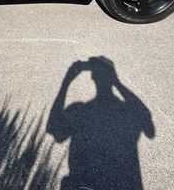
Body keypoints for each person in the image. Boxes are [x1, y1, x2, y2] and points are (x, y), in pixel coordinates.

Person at [47, 56, 155, 189]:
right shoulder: (127, 111)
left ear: (93, 77)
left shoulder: (80, 111)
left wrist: (66, 82)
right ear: (112, 76)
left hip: (83, 184)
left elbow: (55, 129)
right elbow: (149, 128)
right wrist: (117, 83)